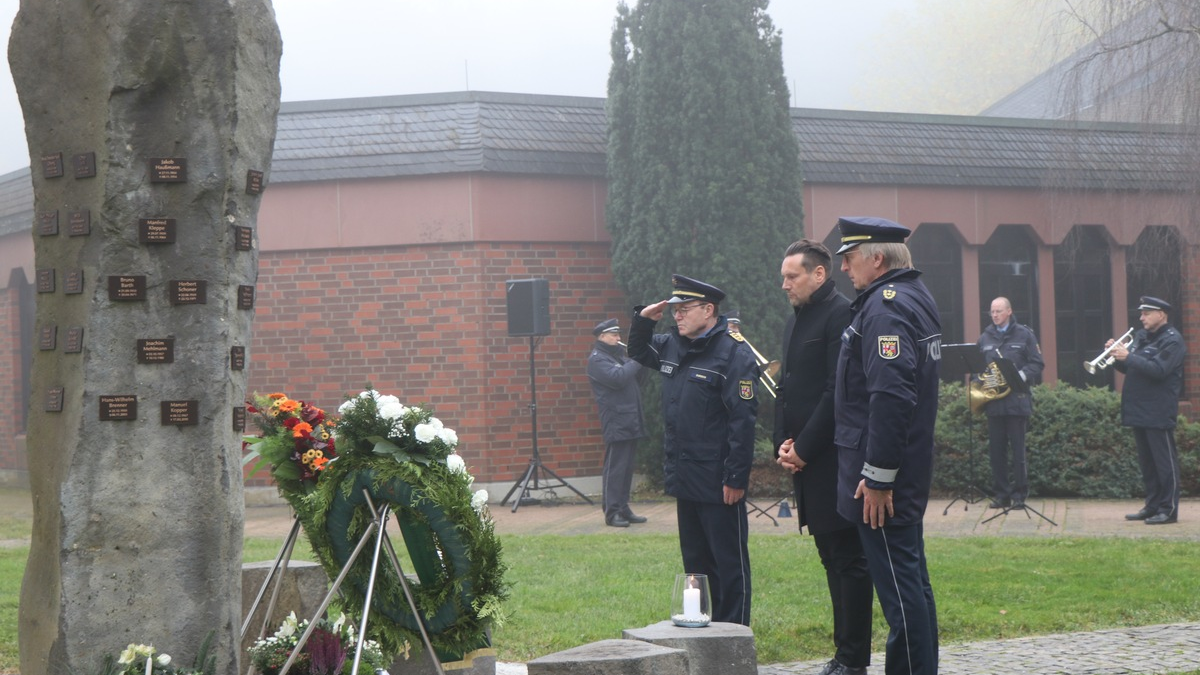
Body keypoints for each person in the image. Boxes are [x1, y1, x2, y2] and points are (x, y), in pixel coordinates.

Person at [833, 216, 941, 675]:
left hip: (883, 480)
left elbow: (892, 397)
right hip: (903, 466)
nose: (843, 268)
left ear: (877, 259)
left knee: (901, 594)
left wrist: (877, 478)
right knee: (912, 586)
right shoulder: (912, 297)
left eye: (849, 257)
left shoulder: (885, 308)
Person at [626, 274, 759, 625]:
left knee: (729, 565)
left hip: (718, 480)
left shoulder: (733, 352)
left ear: (709, 310)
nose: (678, 316)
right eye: (675, 310)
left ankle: (733, 638)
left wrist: (735, 477)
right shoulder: (673, 345)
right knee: (696, 565)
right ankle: (701, 632)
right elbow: (638, 350)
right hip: (686, 476)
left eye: (685, 309)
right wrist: (644, 319)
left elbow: (742, 421)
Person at [774, 240, 873, 675]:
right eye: (783, 277)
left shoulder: (840, 314)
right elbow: (787, 386)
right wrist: (782, 442)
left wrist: (805, 448)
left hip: (834, 459)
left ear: (818, 274)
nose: (785, 285)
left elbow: (838, 392)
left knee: (848, 560)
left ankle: (853, 659)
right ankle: (842, 655)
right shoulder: (797, 319)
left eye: (792, 277)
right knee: (830, 557)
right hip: (805, 458)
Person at [1109, 296, 1186, 525]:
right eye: (1141, 313)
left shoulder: (1173, 341)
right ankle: (1152, 506)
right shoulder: (1143, 337)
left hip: (1158, 410)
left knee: (1164, 463)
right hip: (1139, 409)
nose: (1141, 318)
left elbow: (1158, 370)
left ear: (1161, 314)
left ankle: (1168, 510)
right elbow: (1132, 367)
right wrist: (1116, 357)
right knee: (1148, 463)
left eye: (1146, 313)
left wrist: (1129, 357)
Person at [976, 297, 1044, 510]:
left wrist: (1021, 376)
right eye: (992, 312)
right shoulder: (985, 337)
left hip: (1017, 401)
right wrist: (980, 382)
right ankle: (1001, 494)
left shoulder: (1025, 334)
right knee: (996, 453)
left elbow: (1037, 363)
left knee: (1018, 453)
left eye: (998, 311)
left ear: (1009, 311)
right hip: (994, 403)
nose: (994, 315)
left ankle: (1019, 496)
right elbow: (979, 368)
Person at [586, 318, 649, 528]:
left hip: (629, 418)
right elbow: (618, 378)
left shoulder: (617, 356)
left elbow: (635, 380)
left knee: (627, 466)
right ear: (602, 336)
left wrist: (642, 362)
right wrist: (637, 360)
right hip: (616, 420)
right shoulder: (597, 359)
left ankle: (623, 508)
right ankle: (612, 513)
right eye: (614, 335)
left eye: (618, 334)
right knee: (616, 468)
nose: (618, 338)